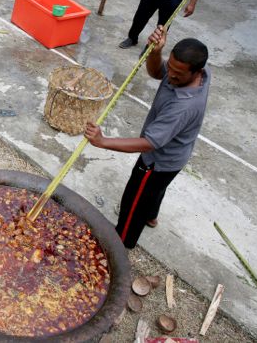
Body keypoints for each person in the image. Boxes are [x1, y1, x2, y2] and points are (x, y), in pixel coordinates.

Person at [85, 25, 210, 248]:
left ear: (196, 72)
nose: (170, 75)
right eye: (170, 67)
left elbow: (148, 144)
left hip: (157, 161)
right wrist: (155, 51)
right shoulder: (196, 74)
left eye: (177, 74)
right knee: (156, 191)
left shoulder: (184, 106)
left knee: (134, 201)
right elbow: (156, 72)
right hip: (176, 156)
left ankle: (121, 242)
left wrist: (102, 142)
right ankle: (151, 217)